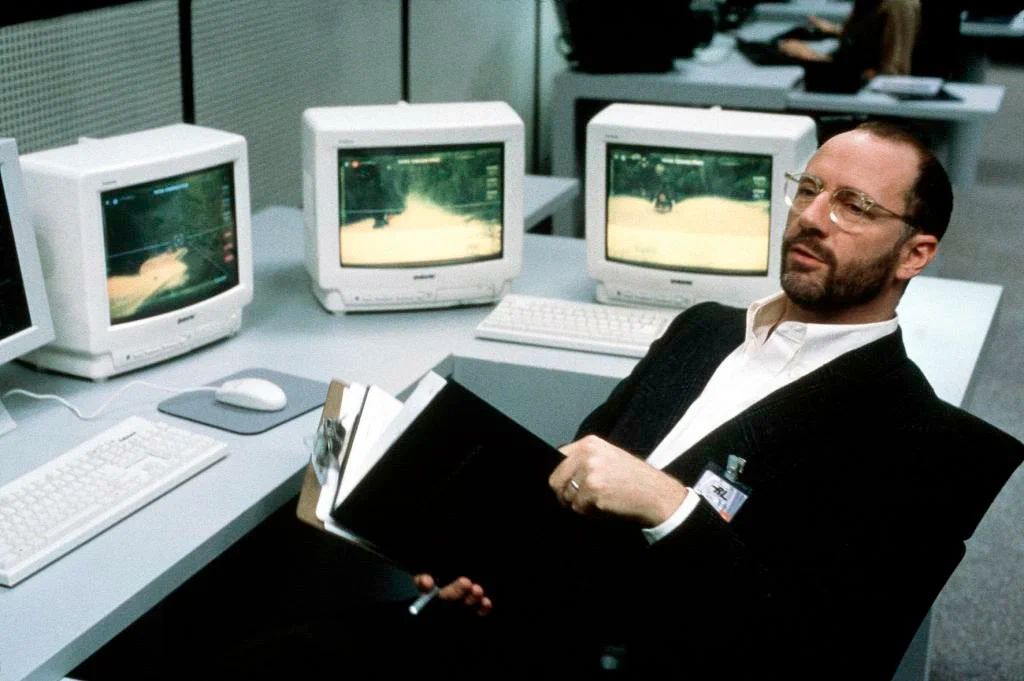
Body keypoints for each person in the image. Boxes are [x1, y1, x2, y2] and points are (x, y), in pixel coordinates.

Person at [413, 121, 1024, 679]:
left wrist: (672, 509)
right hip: (532, 628)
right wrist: (481, 563)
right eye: (808, 189)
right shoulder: (702, 329)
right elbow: (576, 478)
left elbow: (823, 657)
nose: (812, 218)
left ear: (915, 254)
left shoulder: (927, 445)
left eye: (854, 206)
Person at [779, 0, 921, 81]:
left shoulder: (899, 5)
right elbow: (863, 42)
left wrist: (814, 58)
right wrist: (836, 30)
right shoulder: (868, 3)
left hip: (870, 107)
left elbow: (893, 78)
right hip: (850, 81)